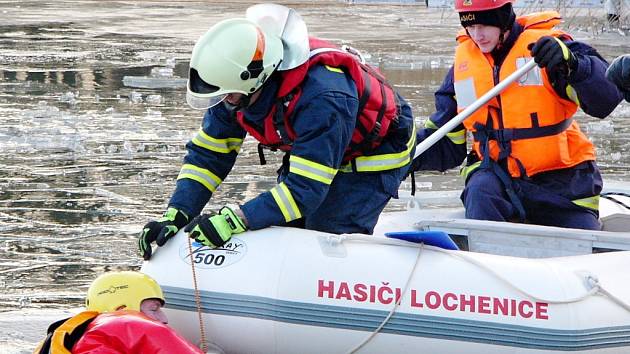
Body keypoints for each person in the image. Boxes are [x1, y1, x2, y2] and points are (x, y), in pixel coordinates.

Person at [138, 3, 416, 257]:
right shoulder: (234, 89)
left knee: (325, 236)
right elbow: (208, 156)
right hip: (318, 145)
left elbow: (305, 189)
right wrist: (178, 212)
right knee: (285, 230)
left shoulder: (322, 98)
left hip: (373, 156)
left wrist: (237, 218)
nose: (223, 103)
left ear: (254, 81)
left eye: (229, 96)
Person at [411, 0, 623, 230]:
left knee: (583, 233)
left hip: (562, 181)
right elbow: (446, 140)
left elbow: (607, 98)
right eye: (469, 27)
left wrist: (572, 64)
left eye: (484, 25)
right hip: (497, 178)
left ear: (503, 18)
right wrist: (402, 155)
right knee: (480, 190)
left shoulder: (550, 50)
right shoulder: (463, 66)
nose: (477, 35)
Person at [35, 271, 203, 354]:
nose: (164, 319)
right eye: (154, 309)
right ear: (122, 308)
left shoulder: (70, 339)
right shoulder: (126, 322)